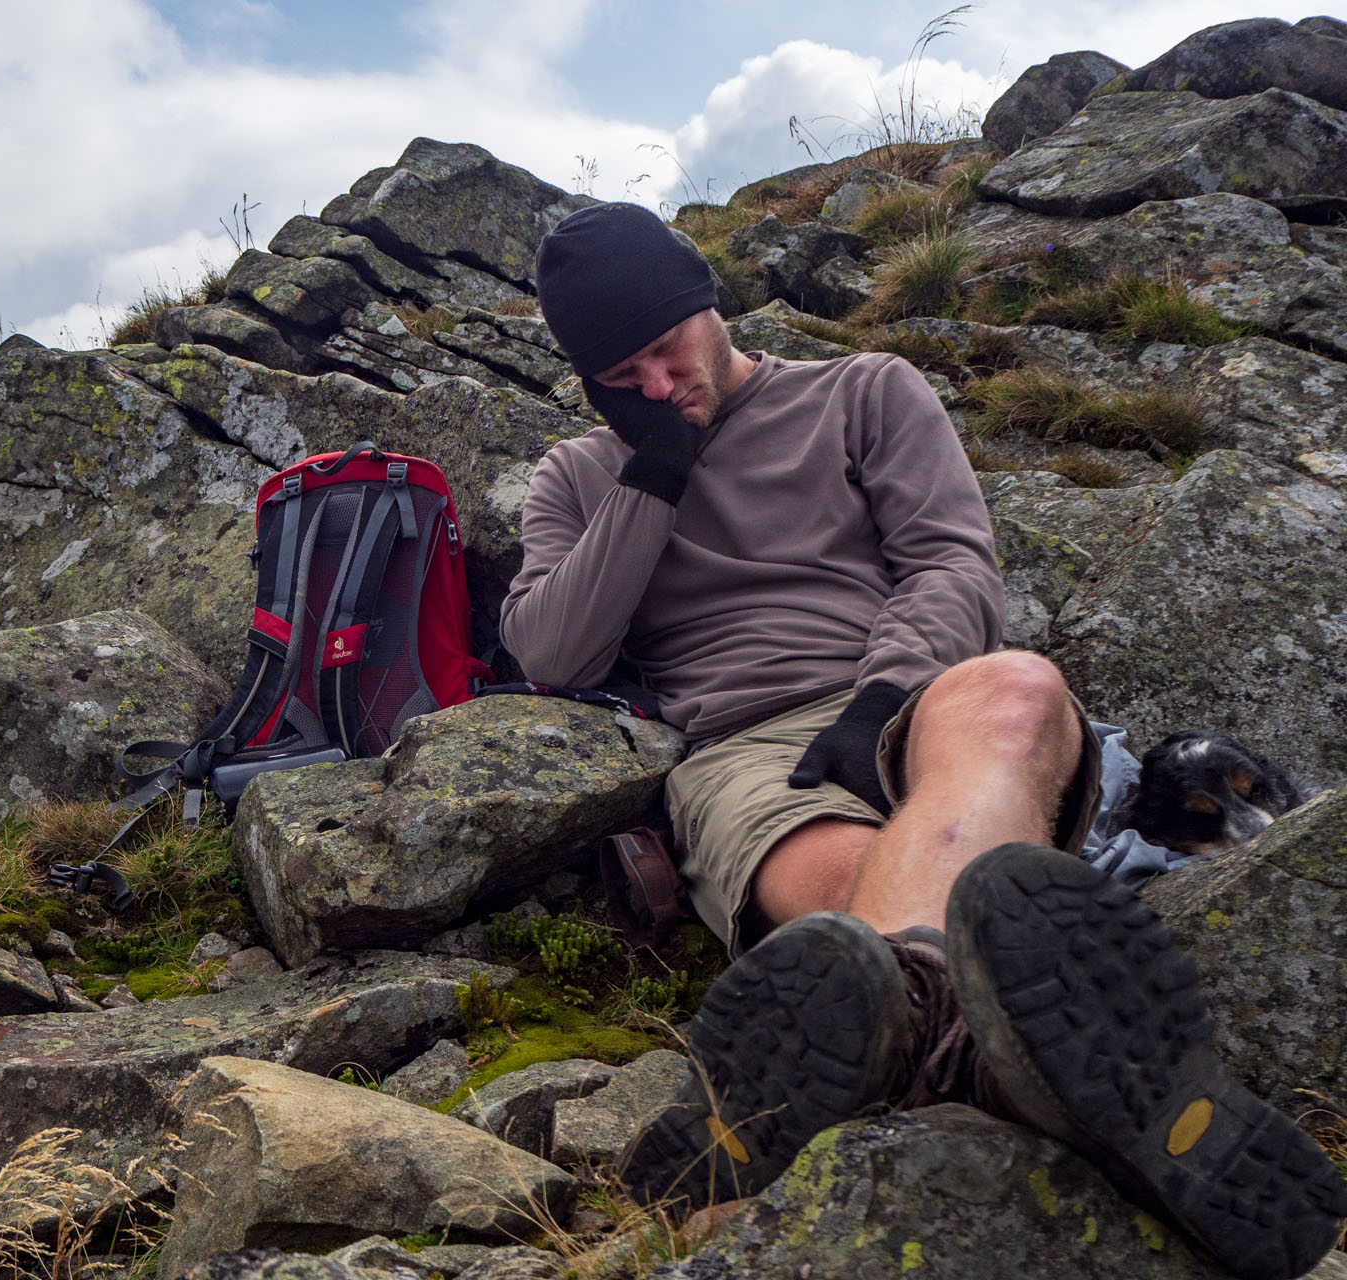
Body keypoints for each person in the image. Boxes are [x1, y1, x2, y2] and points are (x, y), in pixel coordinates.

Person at [500, 201, 1345, 1280]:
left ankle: (904, 1039)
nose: (656, 386)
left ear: (706, 301)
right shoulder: (579, 474)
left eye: (664, 350)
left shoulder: (864, 390)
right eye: (622, 376)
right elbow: (554, 647)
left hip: (917, 699)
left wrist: (881, 692)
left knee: (1019, 687)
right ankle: (1024, 1077)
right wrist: (653, 471)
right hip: (746, 748)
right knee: (855, 908)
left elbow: (952, 564)